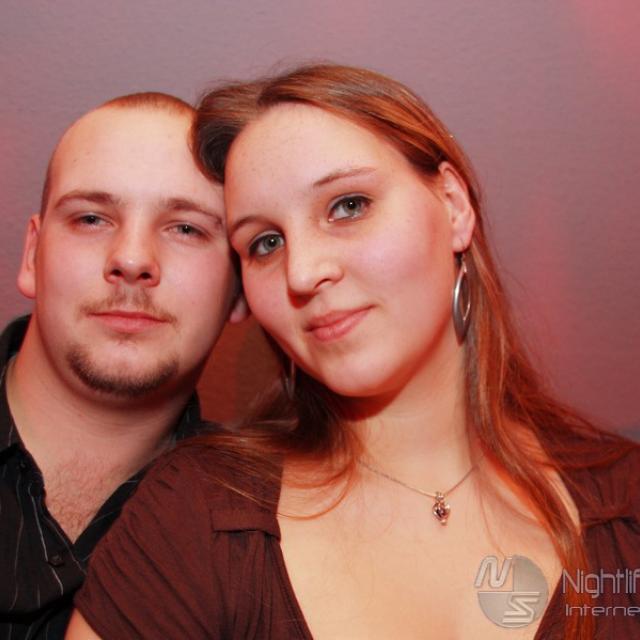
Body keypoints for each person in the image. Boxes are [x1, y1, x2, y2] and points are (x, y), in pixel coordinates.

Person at [68, 65, 639, 640]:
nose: (301, 272)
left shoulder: (628, 499)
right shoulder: (196, 515)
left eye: (348, 206)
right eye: (266, 242)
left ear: (452, 205)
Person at [0, 92, 247, 639]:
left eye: (186, 228)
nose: (132, 259)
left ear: (240, 288)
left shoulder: (264, 532)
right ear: (32, 256)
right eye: (91, 218)